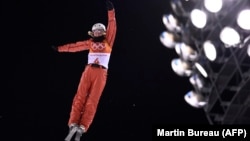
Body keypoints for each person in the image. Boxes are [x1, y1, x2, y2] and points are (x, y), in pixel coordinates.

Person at [52, 1, 116, 141]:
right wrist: (60, 49)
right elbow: (75, 46)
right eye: (95, 31)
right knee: (80, 96)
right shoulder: (90, 43)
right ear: (93, 33)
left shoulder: (108, 41)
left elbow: (112, 25)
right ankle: (73, 123)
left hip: (101, 73)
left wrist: (111, 10)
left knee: (92, 100)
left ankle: (83, 126)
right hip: (88, 70)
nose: (98, 32)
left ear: (104, 32)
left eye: (100, 30)